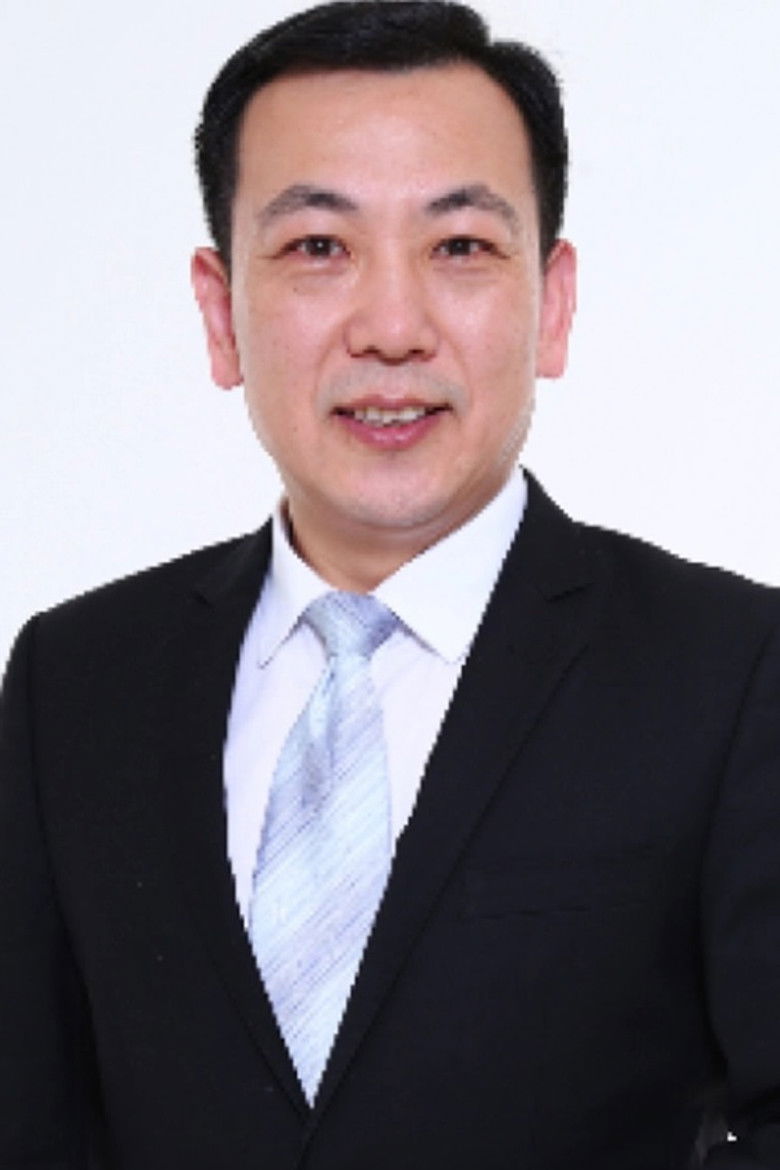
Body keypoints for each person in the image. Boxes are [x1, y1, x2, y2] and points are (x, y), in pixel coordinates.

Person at [1, 2, 779, 1167]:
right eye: (319, 247)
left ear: (553, 302)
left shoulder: (730, 672)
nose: (393, 326)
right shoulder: (76, 681)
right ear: (220, 313)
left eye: (459, 246)